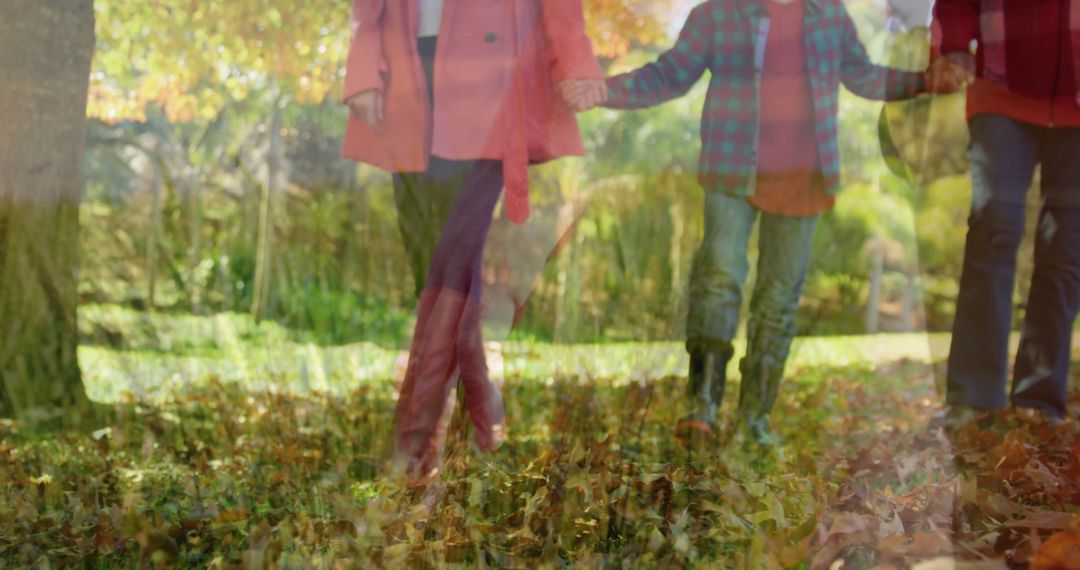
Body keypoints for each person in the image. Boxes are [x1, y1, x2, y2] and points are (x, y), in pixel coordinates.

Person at [593, 0, 943, 447]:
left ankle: (755, 418)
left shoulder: (828, 15)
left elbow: (863, 75)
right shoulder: (719, 14)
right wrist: (602, 89)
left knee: (779, 301)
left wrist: (923, 81)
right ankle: (702, 406)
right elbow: (669, 75)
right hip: (731, 169)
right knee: (718, 279)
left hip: (804, 176)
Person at [341, 0, 607, 480]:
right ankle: (482, 410)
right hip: (408, 76)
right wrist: (363, 69)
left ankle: (414, 438)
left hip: (491, 76)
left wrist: (575, 62)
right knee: (432, 267)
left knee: (451, 261)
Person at [931, 0, 1080, 428]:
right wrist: (952, 46)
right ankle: (973, 397)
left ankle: (1039, 399)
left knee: (1066, 246)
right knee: (994, 226)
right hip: (1000, 87)